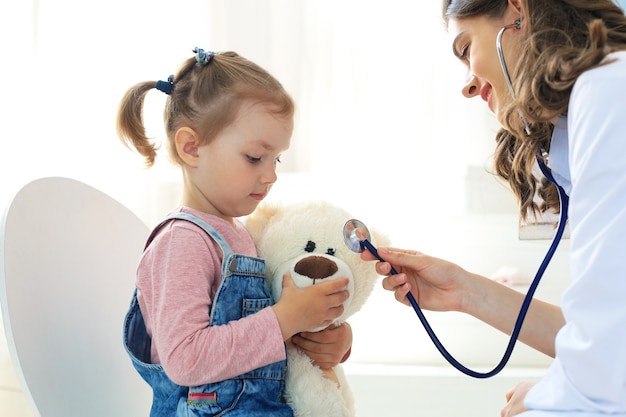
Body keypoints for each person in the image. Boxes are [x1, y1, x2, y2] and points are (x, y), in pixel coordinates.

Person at [365, 1, 626, 416]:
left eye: (467, 49)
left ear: (517, 11)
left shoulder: (608, 89)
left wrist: (545, 395)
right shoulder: (596, 100)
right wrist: (466, 291)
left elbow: (605, 365)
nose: (467, 85)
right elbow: (604, 335)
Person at [119, 48, 352, 416]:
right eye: (254, 157)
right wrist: (285, 319)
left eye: (276, 159)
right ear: (191, 147)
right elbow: (185, 358)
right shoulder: (182, 241)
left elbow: (267, 336)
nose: (271, 174)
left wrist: (325, 338)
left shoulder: (243, 235)